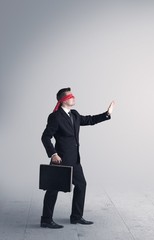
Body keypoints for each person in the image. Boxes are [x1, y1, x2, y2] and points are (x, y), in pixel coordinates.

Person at [40, 87, 115, 229]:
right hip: (60, 159)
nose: (74, 98)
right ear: (63, 100)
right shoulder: (55, 117)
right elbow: (45, 137)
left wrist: (107, 114)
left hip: (74, 159)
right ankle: (46, 219)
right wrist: (53, 154)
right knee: (53, 189)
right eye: (71, 96)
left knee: (81, 185)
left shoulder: (74, 114)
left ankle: (76, 216)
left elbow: (90, 120)